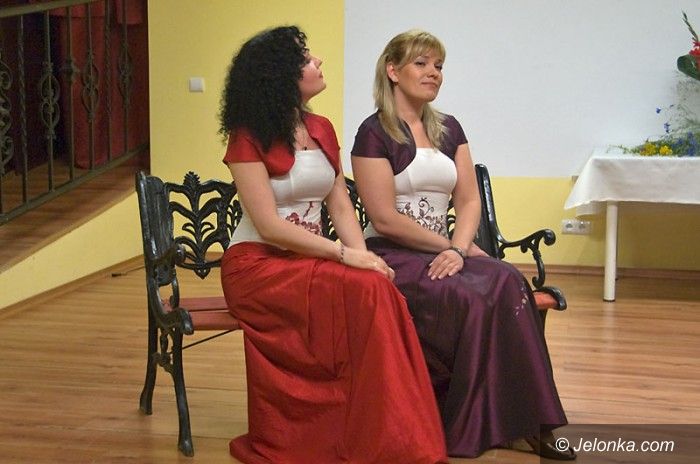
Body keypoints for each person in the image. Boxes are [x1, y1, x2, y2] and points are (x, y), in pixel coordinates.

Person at [218, 26, 449, 464]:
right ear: (281, 73)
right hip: (257, 266)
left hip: (307, 260)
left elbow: (341, 206)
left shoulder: (321, 127)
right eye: (307, 58)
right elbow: (268, 226)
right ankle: (366, 432)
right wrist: (345, 255)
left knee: (376, 286)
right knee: (366, 290)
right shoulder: (246, 135)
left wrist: (365, 257)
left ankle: (388, 431)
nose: (318, 61)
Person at [350, 29, 576, 461]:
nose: (433, 72)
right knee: (470, 297)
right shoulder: (373, 133)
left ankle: (529, 422)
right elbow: (384, 217)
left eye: (438, 66)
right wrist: (452, 248)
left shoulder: (449, 128)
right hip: (393, 254)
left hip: (444, 250)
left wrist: (458, 246)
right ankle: (469, 422)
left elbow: (469, 199)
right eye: (421, 63)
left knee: (507, 279)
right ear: (393, 71)